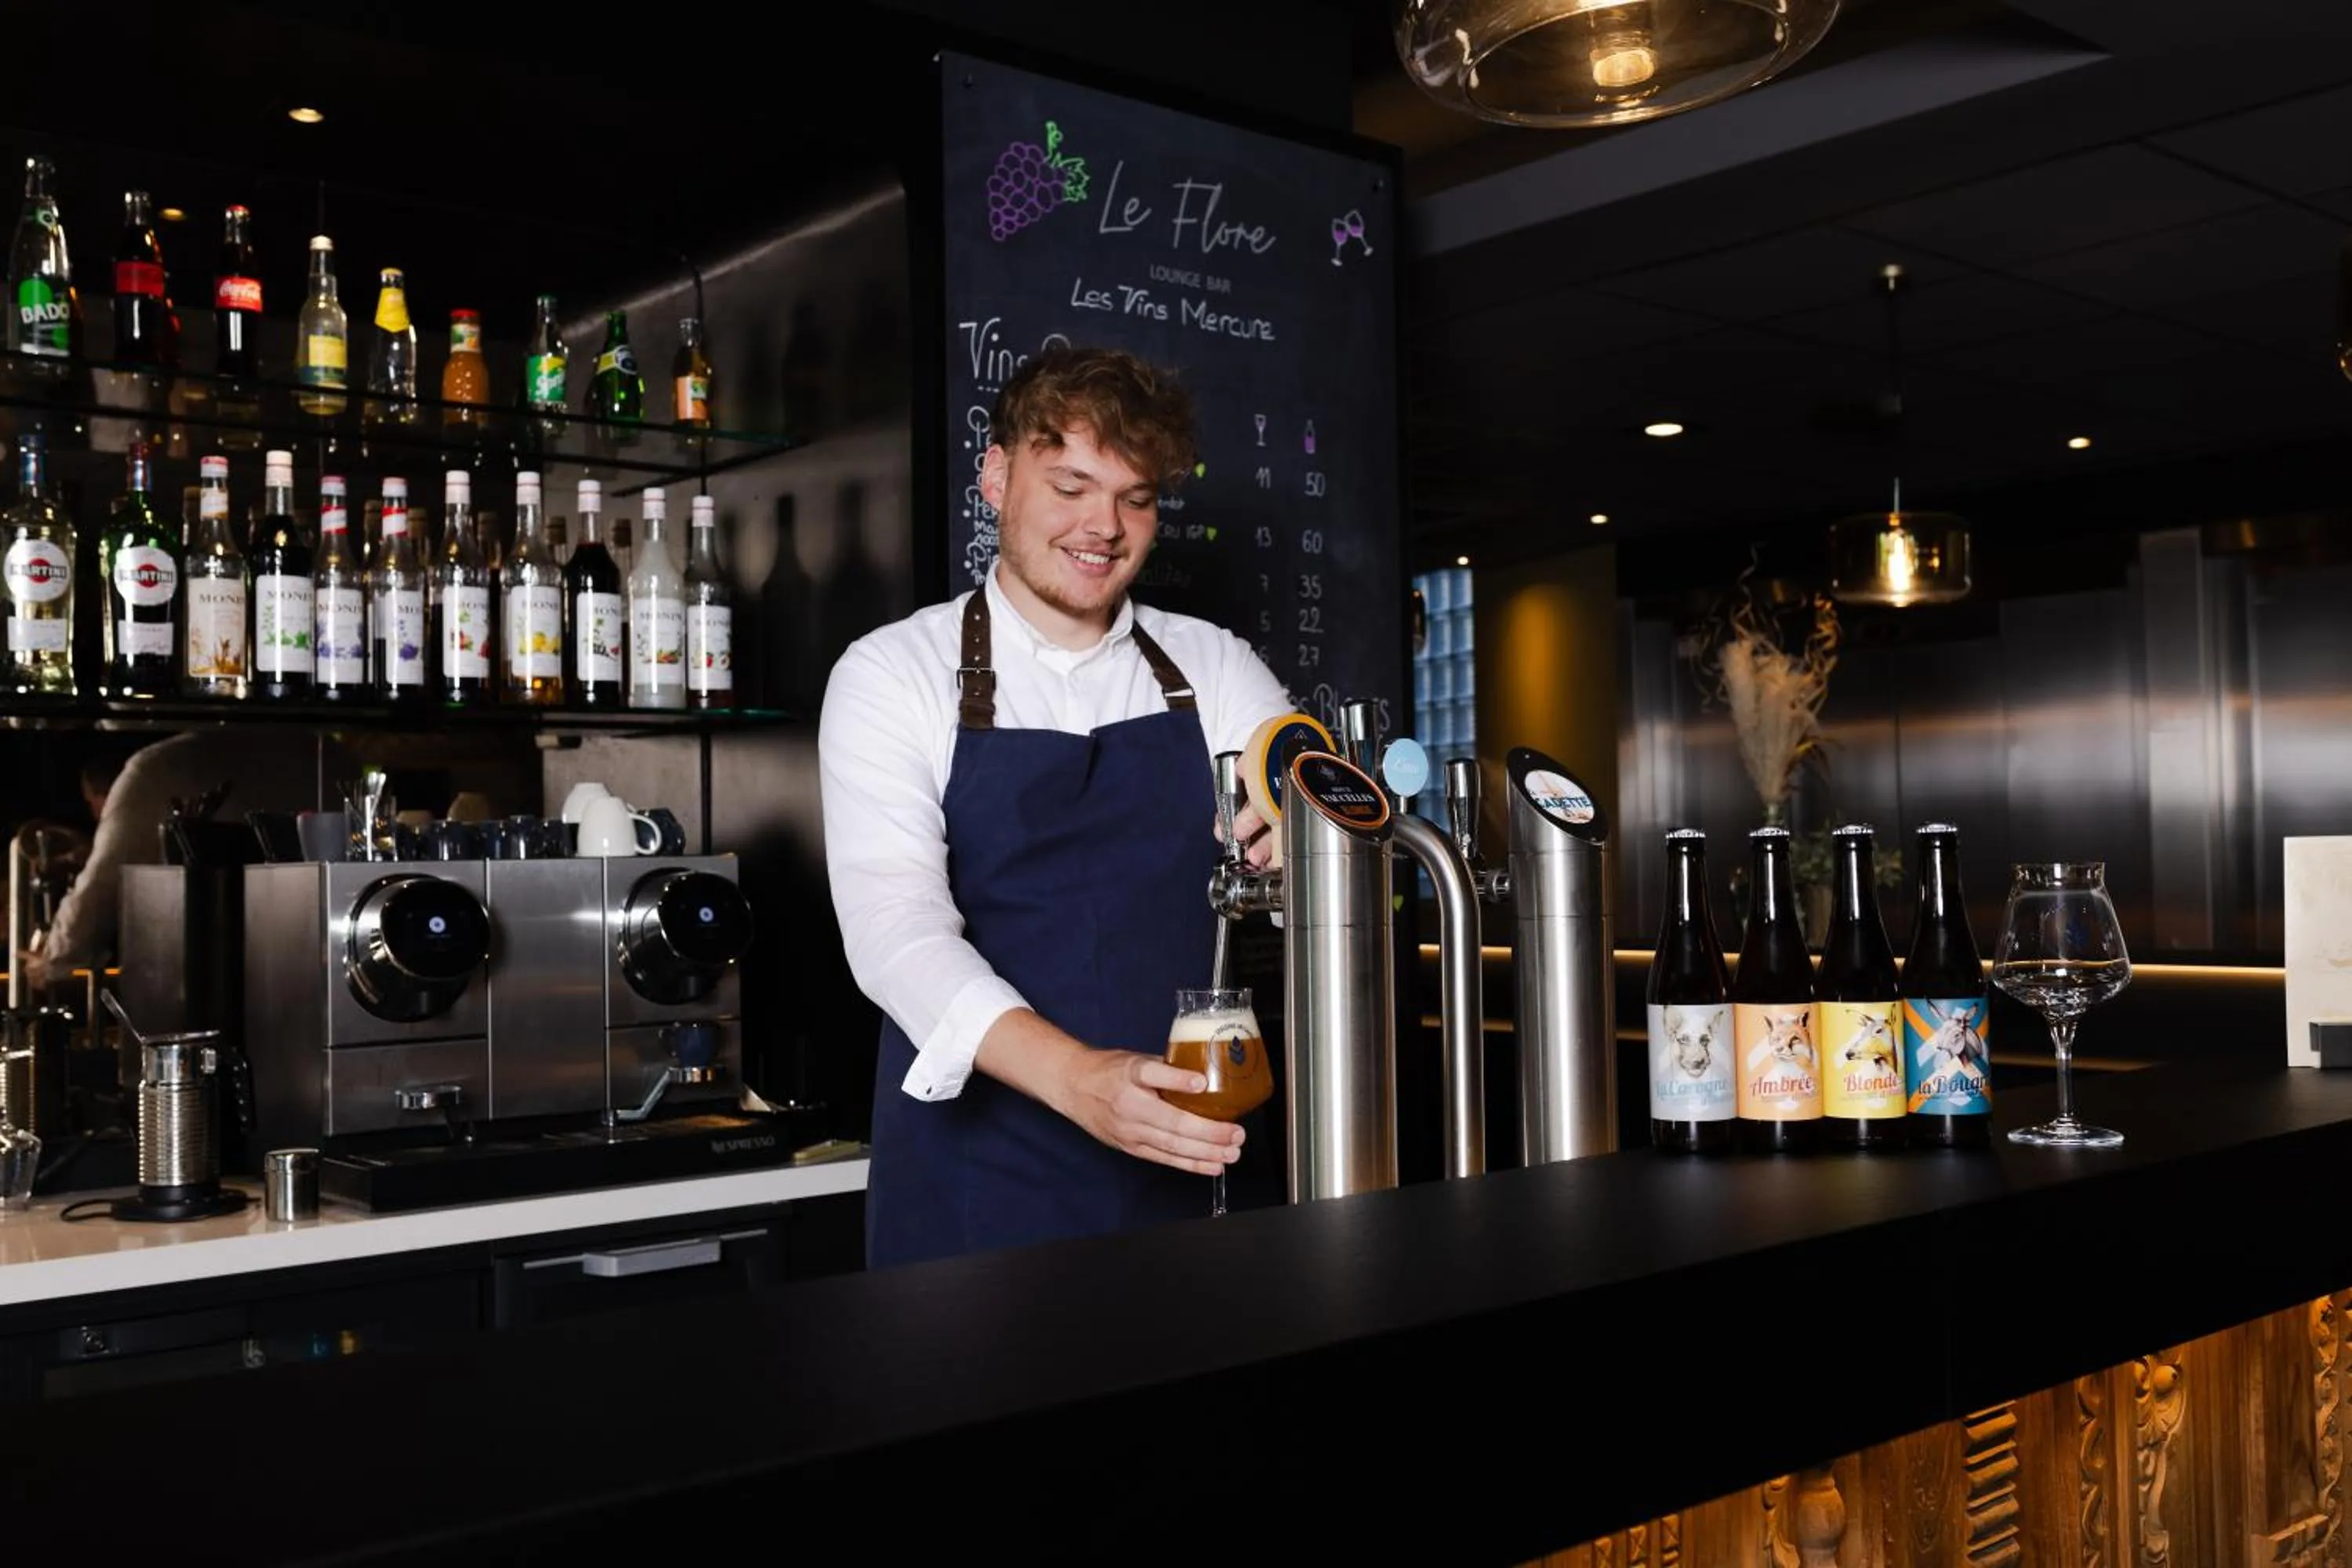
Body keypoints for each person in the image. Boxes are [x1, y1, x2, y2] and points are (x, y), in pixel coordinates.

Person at [820, 347, 1294, 1269]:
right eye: (1071, 484)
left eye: (1136, 497)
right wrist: (1083, 1082)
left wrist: (1301, 837)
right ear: (996, 476)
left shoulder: (1215, 667)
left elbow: (1298, 785)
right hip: (977, 1183)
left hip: (1194, 1156)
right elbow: (894, 931)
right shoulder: (891, 673)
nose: (1103, 526)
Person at [21, 726, 356, 993]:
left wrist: (54, 960)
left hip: (199, 999)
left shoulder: (160, 767)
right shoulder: (336, 759)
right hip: (336, 986)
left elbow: (99, 893)